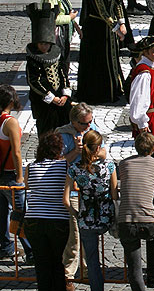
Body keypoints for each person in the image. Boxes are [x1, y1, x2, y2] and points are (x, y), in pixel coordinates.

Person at [63, 130, 117, 291]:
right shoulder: (109, 166)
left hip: (86, 217)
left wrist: (76, 213)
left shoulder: (74, 169)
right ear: (98, 147)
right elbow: (114, 194)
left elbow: (65, 199)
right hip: (106, 216)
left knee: (92, 261)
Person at [56, 102, 104, 282]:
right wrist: (76, 151)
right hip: (74, 190)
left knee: (89, 232)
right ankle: (68, 273)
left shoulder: (92, 130)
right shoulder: (62, 135)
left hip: (91, 190)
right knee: (74, 235)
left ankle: (85, 268)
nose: (88, 126)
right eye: (84, 123)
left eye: (90, 121)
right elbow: (57, 162)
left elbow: (104, 153)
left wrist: (89, 151)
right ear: (74, 122)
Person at [118, 131, 154, 291]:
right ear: (153, 148)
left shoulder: (123, 164)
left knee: (133, 266)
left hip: (126, 220)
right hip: (148, 219)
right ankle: (152, 275)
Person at [23, 132, 69, 291]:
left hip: (33, 219)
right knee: (57, 262)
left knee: (41, 264)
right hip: (58, 218)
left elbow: (27, 186)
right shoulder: (64, 166)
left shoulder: (31, 167)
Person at [77, 0, 128, 105]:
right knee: (100, 60)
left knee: (112, 58)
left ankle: (116, 88)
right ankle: (102, 92)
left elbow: (118, 4)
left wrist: (121, 22)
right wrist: (117, 28)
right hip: (97, 30)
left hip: (109, 29)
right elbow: (103, 12)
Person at [25, 3, 71, 136]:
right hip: (43, 103)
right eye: (41, 44)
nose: (44, 47)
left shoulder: (56, 55)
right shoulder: (33, 60)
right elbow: (34, 81)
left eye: (47, 44)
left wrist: (64, 93)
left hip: (60, 100)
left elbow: (62, 74)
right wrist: (51, 97)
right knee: (46, 131)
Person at [128, 34, 154, 164]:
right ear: (145, 53)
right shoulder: (144, 73)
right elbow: (139, 99)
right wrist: (142, 122)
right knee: (152, 155)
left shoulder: (150, 67)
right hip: (150, 121)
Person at [0, 85, 28, 260]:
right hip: (10, 174)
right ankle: (31, 250)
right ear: (11, 101)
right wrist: (19, 177)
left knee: (2, 213)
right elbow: (16, 152)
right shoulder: (10, 122)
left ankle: (6, 247)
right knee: (22, 213)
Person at [42, 0, 78, 73]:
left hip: (65, 31)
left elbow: (68, 10)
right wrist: (69, 18)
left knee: (65, 57)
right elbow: (52, 18)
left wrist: (77, 28)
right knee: (61, 59)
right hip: (57, 34)